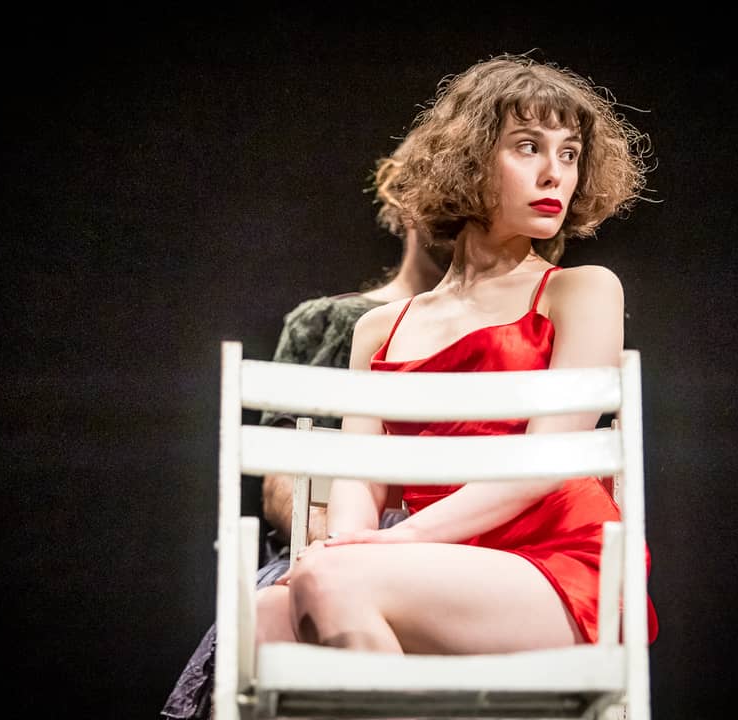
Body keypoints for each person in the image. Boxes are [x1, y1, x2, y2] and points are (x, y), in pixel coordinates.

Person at [256, 53, 659, 654]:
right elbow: (359, 484)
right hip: (433, 562)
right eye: (529, 147)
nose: (555, 174)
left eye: (570, 154)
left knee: (329, 579)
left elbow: (547, 462)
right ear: (469, 159)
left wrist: (393, 543)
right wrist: (349, 545)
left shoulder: (582, 291)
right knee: (265, 613)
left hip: (559, 564)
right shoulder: (379, 329)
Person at [159, 141, 451, 720]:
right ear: (406, 196)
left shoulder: (527, 323)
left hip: (465, 547)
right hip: (336, 542)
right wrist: (343, 544)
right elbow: (282, 485)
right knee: (283, 607)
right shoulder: (331, 323)